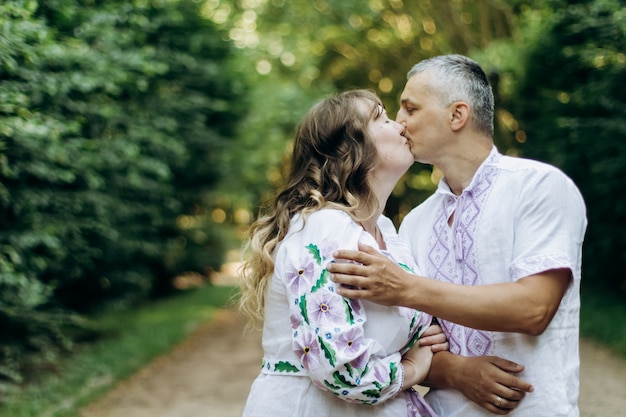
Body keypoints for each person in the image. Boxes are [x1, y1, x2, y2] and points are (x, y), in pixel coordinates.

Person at [327, 54, 587, 417]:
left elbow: (534, 309)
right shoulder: (414, 223)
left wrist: (407, 288)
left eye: (410, 109)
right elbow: (408, 344)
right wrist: (455, 371)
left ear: (457, 115)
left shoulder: (540, 187)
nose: (399, 123)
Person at [239, 90, 449, 417]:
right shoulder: (324, 229)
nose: (401, 125)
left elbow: (403, 333)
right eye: (383, 117)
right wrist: (415, 367)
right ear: (350, 149)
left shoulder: (387, 233)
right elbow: (343, 374)